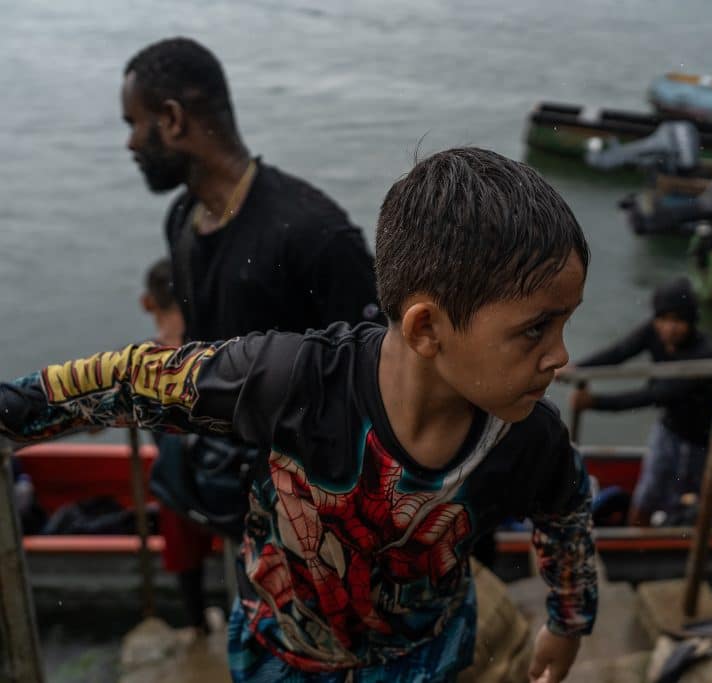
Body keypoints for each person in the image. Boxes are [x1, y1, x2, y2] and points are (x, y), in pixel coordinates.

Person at [0, 148, 597, 682]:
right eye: (537, 329)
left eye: (564, 323)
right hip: (279, 654)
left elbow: (565, 510)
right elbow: (130, 380)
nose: (560, 357)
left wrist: (568, 622)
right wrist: (11, 414)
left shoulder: (528, 439)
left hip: (428, 656)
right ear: (426, 328)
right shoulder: (294, 383)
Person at [121, 36, 380, 341]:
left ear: (173, 119)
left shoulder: (315, 235)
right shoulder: (182, 219)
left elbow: (378, 368)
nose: (131, 143)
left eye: (133, 123)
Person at [567, 276, 712, 527]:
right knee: (648, 493)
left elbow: (655, 395)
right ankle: (634, 541)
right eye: (663, 319)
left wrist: (595, 402)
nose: (669, 328)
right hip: (671, 430)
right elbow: (619, 352)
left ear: (692, 321)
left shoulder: (707, 354)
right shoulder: (653, 332)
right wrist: (578, 368)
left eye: (678, 320)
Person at [141, 257, 218, 635]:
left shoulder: (143, 363)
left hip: (176, 485)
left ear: (147, 303)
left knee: (186, 563)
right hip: (222, 473)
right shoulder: (213, 348)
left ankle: (198, 626)